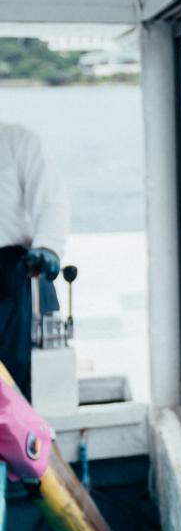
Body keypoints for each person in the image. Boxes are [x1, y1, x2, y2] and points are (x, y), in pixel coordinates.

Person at [0, 122, 69, 400]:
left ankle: (22, 442)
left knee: (20, 379)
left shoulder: (19, 141)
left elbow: (52, 203)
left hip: (14, 273)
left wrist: (47, 248)